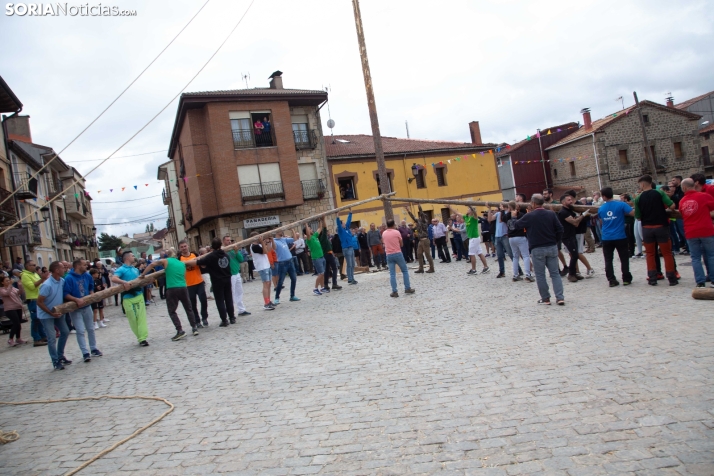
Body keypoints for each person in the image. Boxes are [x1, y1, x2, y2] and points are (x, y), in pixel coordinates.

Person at [513, 194, 564, 305]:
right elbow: (560, 229)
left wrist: (514, 216)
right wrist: (555, 241)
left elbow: (516, 226)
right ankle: (560, 297)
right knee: (555, 273)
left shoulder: (530, 216)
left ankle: (546, 298)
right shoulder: (551, 214)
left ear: (533, 203)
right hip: (551, 246)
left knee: (540, 275)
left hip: (537, 248)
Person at [142, 249, 199, 340]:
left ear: (167, 255)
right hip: (183, 287)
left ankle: (180, 330)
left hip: (172, 288)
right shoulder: (182, 263)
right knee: (188, 308)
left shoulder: (166, 261)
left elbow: (152, 264)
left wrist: (143, 274)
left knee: (172, 311)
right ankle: (194, 327)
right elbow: (184, 276)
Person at [635, 175, 677, 286]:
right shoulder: (660, 193)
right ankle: (672, 278)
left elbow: (638, 217)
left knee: (650, 254)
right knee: (667, 253)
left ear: (643, 184)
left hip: (647, 228)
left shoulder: (638, 198)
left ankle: (652, 278)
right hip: (661, 226)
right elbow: (672, 206)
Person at [185, 238, 235, 326]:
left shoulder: (211, 256)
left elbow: (198, 262)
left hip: (217, 280)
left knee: (220, 300)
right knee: (228, 299)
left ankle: (224, 320)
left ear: (212, 246)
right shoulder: (225, 255)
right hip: (227, 279)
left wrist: (184, 263)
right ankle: (232, 317)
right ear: (220, 245)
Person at [63, 259, 102, 362]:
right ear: (78, 266)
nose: (87, 266)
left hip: (87, 306)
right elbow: (66, 293)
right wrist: (76, 299)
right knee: (80, 330)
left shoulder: (87, 275)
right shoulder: (69, 278)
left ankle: (93, 348)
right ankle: (85, 352)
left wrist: (92, 295)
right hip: (75, 309)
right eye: (84, 265)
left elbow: (90, 287)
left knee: (90, 328)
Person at [679, 178, 714, 288]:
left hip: (691, 231)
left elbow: (681, 213)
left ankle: (700, 281)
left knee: (695, 258)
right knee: (711, 255)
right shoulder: (704, 196)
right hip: (706, 230)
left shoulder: (682, 201)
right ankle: (713, 280)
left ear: (684, 188)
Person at [37, 261, 73, 369]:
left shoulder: (62, 281)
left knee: (65, 331)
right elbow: (39, 302)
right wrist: (50, 312)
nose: (65, 269)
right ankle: (55, 360)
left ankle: (60, 355)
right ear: (57, 270)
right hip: (46, 314)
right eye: (62, 268)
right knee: (52, 338)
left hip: (58, 311)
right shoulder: (47, 285)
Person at [598, 187, 634, 287]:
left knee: (608, 259)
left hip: (607, 237)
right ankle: (626, 278)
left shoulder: (601, 208)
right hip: (620, 236)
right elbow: (632, 213)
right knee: (624, 258)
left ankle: (611, 279)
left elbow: (601, 222)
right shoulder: (621, 204)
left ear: (604, 196)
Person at [112, 251, 149, 346]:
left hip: (139, 295)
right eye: (132, 256)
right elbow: (114, 278)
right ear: (127, 258)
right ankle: (139, 336)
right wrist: (124, 282)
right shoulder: (121, 269)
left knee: (141, 318)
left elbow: (139, 280)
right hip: (127, 297)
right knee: (133, 319)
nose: (134, 257)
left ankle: (142, 338)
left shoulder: (135, 269)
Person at [558, 195, 591, 283]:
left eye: (571, 199)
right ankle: (571, 274)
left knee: (575, 254)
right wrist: (583, 215)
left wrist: (578, 217)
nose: (571, 201)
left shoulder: (569, 211)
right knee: (574, 255)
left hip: (572, 235)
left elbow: (575, 221)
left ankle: (575, 273)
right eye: (568, 200)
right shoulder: (563, 212)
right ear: (563, 202)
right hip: (567, 236)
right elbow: (575, 222)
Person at [179, 241, 210, 327]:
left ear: (188, 246)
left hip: (199, 281)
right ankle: (197, 320)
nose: (184, 248)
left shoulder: (194, 255)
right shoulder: (179, 258)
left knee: (203, 300)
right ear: (179, 248)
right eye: (182, 247)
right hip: (188, 285)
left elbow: (203, 266)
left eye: (185, 246)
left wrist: (201, 261)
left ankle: (204, 317)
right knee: (193, 304)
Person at [382, 219, 415, 297]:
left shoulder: (384, 233)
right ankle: (407, 288)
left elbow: (384, 242)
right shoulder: (396, 232)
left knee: (392, 274)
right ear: (393, 225)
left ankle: (394, 291)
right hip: (397, 253)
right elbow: (401, 243)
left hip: (389, 254)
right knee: (404, 271)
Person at [20, 260, 48, 347]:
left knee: (40, 319)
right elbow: (32, 287)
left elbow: (40, 284)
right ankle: (36, 338)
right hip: (32, 299)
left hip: (39, 298)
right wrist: (42, 279)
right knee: (35, 319)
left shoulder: (34, 274)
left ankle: (42, 336)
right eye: (33, 265)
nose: (35, 266)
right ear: (28, 266)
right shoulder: (25, 275)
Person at [504, 201, 533, 282]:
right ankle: (528, 274)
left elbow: (503, 219)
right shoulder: (520, 215)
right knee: (526, 255)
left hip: (511, 237)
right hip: (520, 236)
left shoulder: (506, 216)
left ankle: (515, 275)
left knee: (515, 256)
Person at [223, 235, 251, 317]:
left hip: (236, 273)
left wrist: (236, 251)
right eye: (227, 240)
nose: (229, 242)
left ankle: (241, 310)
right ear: (223, 241)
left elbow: (241, 259)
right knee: (231, 293)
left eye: (230, 240)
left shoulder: (234, 250)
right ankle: (231, 312)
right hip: (230, 274)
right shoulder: (223, 251)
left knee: (239, 292)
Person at [250, 232, 276, 310]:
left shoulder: (259, 245)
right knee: (265, 284)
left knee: (269, 284)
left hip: (266, 265)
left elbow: (268, 250)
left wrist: (268, 242)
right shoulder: (254, 246)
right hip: (262, 267)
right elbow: (264, 252)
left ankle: (269, 300)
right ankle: (266, 303)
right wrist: (262, 242)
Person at [405, 206, 435, 273]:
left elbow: (421, 213)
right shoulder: (418, 222)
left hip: (425, 240)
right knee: (419, 254)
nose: (420, 217)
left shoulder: (424, 222)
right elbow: (413, 217)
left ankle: (432, 268)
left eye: (421, 216)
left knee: (427, 255)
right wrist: (408, 211)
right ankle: (421, 268)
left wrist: (419, 206)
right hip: (420, 240)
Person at [273, 230, 300, 303]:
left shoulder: (284, 239)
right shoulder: (274, 241)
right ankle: (277, 298)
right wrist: (271, 239)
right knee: (280, 281)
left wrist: (293, 230)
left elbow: (295, 239)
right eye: (280, 231)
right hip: (282, 263)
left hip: (290, 261)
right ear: (276, 233)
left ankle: (292, 296)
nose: (282, 232)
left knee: (294, 279)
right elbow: (274, 247)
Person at [489, 205, 515, 278]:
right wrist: (489, 209)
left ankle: (518, 270)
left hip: (505, 235)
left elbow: (502, 220)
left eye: (501, 205)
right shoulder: (498, 213)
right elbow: (490, 219)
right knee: (499, 255)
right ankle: (502, 272)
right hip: (497, 236)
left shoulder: (508, 213)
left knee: (510, 254)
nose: (499, 207)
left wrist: (502, 211)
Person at [462, 206, 490, 275]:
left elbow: (475, 214)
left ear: (471, 211)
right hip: (473, 238)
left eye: (468, 209)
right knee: (480, 253)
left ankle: (474, 270)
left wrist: (470, 206)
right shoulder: (466, 217)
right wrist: (450, 207)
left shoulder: (474, 218)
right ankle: (486, 267)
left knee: (471, 254)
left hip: (474, 238)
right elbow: (458, 213)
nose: (467, 210)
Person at [1, 275, 26, 346]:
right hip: (9, 309)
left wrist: (20, 285)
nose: (8, 281)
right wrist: (10, 285)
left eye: (9, 280)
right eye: (6, 281)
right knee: (16, 323)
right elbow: (7, 293)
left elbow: (19, 292)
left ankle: (18, 338)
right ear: (2, 283)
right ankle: (10, 339)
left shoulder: (13, 288)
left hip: (17, 307)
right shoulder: (2, 289)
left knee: (19, 324)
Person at [318, 216, 342, 291]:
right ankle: (334, 283)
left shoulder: (319, 238)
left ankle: (325, 285)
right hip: (328, 254)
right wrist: (324, 219)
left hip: (324, 255)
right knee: (334, 268)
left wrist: (320, 221)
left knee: (327, 270)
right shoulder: (324, 237)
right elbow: (324, 228)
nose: (328, 232)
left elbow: (320, 229)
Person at [336, 210, 357, 284]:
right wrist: (337, 216)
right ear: (341, 225)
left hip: (351, 247)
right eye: (343, 223)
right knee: (349, 264)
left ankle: (352, 278)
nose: (345, 224)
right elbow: (338, 224)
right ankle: (350, 279)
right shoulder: (340, 231)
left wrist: (350, 213)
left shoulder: (347, 229)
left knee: (353, 264)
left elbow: (349, 221)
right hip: (346, 248)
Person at [305, 224, 326, 295]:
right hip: (316, 258)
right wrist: (306, 224)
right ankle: (315, 288)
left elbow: (320, 228)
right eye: (310, 229)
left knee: (323, 273)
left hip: (321, 256)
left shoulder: (314, 236)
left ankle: (322, 287)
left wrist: (320, 220)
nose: (311, 230)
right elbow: (307, 233)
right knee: (321, 273)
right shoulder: (309, 239)